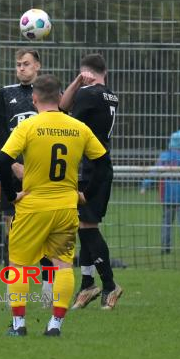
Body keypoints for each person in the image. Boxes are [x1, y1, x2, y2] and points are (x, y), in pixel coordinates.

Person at [0, 74, 110, 336]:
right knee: (62, 266)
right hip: (66, 208)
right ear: (60, 98)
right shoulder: (78, 127)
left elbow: (3, 161)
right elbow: (103, 163)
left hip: (32, 208)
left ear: (34, 99)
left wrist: (12, 195)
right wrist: (86, 194)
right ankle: (54, 325)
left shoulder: (28, 126)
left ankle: (19, 325)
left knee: (19, 267)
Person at [59, 53, 123, 311]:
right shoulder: (110, 95)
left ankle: (109, 285)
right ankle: (87, 283)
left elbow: (62, 109)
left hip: (90, 168)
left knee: (87, 227)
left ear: (85, 73)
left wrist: (76, 84)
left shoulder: (87, 94)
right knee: (84, 224)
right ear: (103, 72)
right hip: (101, 165)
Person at [0, 48, 55, 307]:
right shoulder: (6, 94)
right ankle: (14, 291)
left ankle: (48, 289)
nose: (21, 68)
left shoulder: (49, 96)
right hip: (15, 173)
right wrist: (15, 165)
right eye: (18, 64)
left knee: (46, 234)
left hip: (42, 176)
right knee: (14, 233)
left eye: (26, 64)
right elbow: (1, 135)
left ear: (37, 66)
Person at [140, 130, 180, 254]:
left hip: (167, 195)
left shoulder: (164, 157)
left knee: (167, 222)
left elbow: (154, 172)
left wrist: (145, 185)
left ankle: (166, 246)